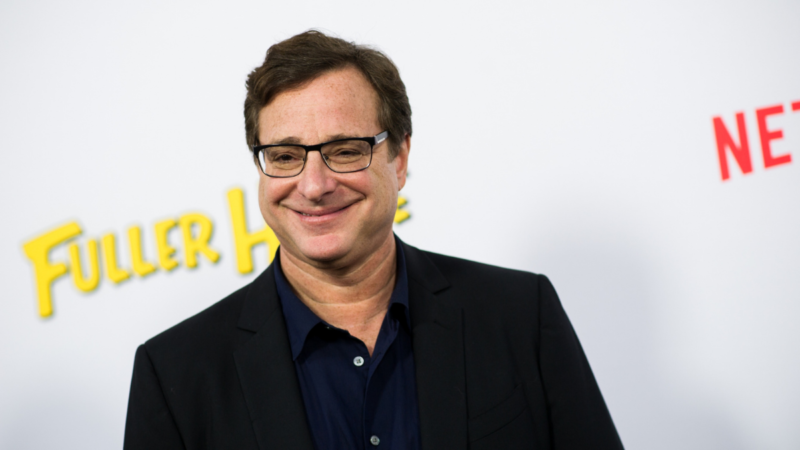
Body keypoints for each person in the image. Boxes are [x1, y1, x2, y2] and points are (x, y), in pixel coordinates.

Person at [123, 30, 623, 450]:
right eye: (284, 157)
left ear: (399, 159)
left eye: (345, 151)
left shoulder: (520, 315)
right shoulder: (174, 375)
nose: (314, 186)